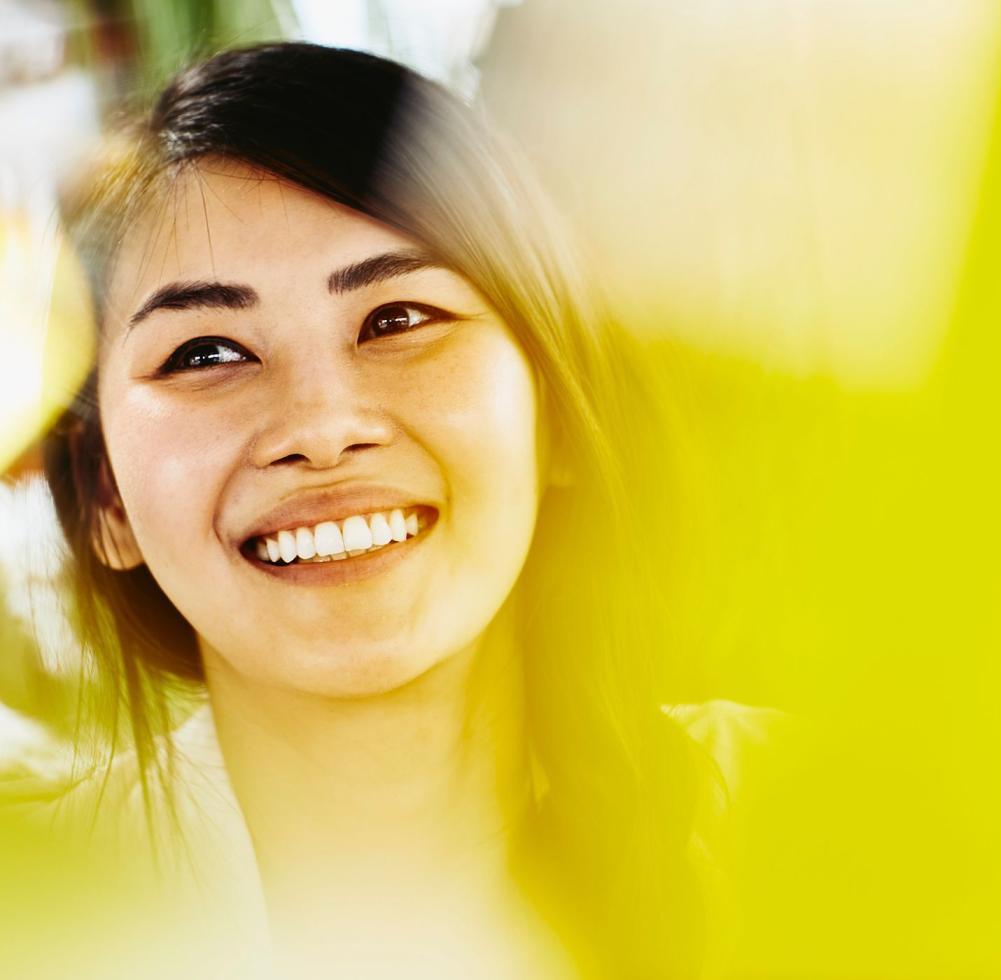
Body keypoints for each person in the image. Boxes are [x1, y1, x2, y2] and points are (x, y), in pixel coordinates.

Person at [11, 42, 790, 979]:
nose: (322, 428)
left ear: (557, 417)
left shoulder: (835, 843)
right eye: (207, 353)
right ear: (105, 500)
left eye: (397, 320)